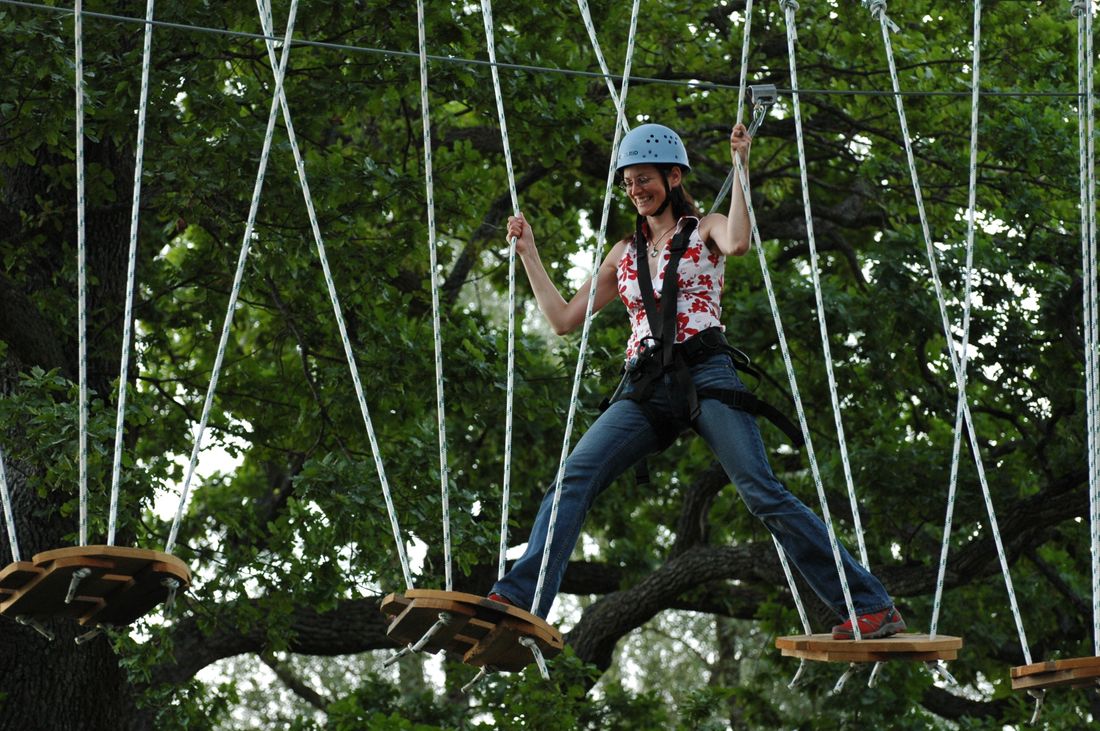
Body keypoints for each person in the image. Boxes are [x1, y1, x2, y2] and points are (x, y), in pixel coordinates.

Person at [487, 122, 905, 641]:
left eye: (645, 179)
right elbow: (563, 319)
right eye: (629, 182)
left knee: (762, 493)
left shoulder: (705, 226)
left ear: (673, 175)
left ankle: (870, 606)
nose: (636, 190)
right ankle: (520, 600)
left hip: (705, 374)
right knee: (573, 477)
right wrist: (528, 252)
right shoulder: (624, 253)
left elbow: (740, 241)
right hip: (644, 387)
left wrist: (742, 168)